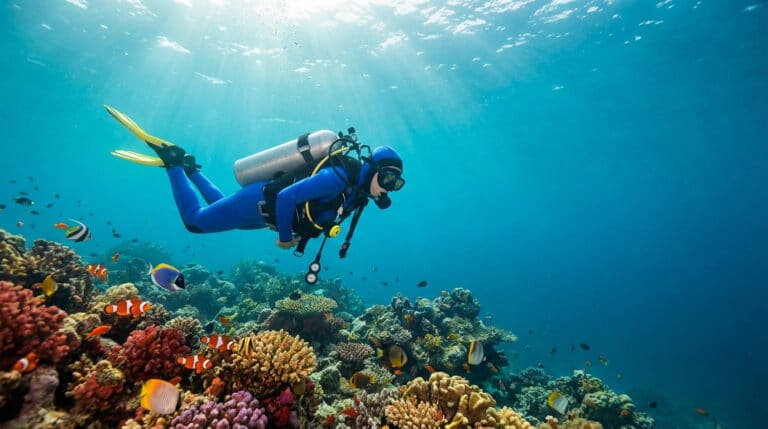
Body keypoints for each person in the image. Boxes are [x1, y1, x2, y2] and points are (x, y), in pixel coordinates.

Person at [105, 106, 405, 255]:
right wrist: (286, 239)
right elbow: (287, 198)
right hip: (258, 203)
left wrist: (299, 234)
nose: (388, 187)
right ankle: (173, 164)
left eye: (396, 184)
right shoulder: (337, 177)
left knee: (220, 206)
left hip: (261, 215)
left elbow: (317, 213)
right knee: (194, 222)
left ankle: (190, 168)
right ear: (374, 168)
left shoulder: (356, 192)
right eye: (388, 178)